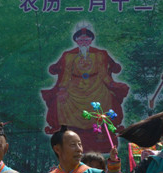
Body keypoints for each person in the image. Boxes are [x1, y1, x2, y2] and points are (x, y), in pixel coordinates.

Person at [41, 23, 129, 152]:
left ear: (91, 40)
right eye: (81, 40)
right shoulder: (68, 55)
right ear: (76, 41)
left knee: (107, 98)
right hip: (74, 85)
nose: (83, 42)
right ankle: (68, 135)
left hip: (97, 84)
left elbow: (105, 72)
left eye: (86, 40)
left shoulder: (100, 54)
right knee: (61, 101)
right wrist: (62, 89)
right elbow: (65, 74)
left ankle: (101, 135)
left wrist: (111, 84)